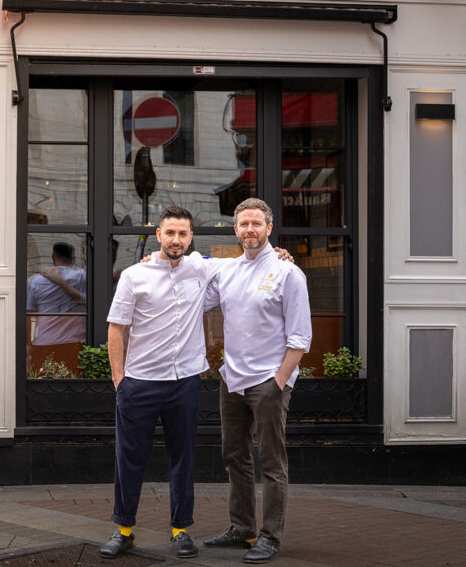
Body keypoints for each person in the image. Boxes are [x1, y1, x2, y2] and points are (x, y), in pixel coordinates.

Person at [203, 197, 311, 564]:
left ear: (268, 228)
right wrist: (150, 264)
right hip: (231, 380)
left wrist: (279, 382)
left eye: (256, 224)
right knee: (234, 456)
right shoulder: (228, 270)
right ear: (235, 229)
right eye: (243, 224)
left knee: (271, 463)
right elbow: (188, 289)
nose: (250, 230)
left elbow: (300, 338)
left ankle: (270, 537)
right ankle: (242, 528)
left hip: (268, 381)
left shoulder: (288, 272)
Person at [100, 205, 211, 559]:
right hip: (140, 383)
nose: (176, 239)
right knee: (129, 458)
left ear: (190, 237)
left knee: (183, 457)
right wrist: (119, 380)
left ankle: (180, 531)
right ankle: (124, 530)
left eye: (183, 233)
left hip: (184, 383)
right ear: (158, 235)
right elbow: (116, 329)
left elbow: (247, 265)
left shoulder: (202, 268)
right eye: (170, 233)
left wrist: (280, 253)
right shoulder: (135, 275)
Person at [26, 242, 87, 375]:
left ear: (53, 257)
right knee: (74, 382)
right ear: (72, 258)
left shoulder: (35, 281)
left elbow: (28, 314)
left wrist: (28, 344)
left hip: (45, 340)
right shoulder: (83, 278)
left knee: (43, 380)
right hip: (74, 341)